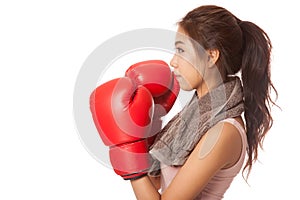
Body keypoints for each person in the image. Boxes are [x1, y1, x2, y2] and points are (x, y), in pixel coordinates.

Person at [89, 5, 277, 200]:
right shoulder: (193, 118)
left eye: (181, 50)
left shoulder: (223, 132)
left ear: (211, 56)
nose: (173, 61)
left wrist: (127, 149)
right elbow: (155, 182)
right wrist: (144, 133)